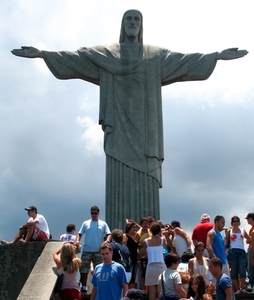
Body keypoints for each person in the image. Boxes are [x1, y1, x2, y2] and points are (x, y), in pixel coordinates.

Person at [11, 9, 248, 231]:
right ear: (122, 25)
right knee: (118, 172)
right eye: (129, 19)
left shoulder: (155, 55)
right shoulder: (107, 53)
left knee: (146, 175)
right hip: (118, 128)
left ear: (141, 25)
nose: (133, 23)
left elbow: (185, 61)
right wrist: (44, 54)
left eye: (137, 19)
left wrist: (215, 56)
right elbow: (77, 58)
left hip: (146, 132)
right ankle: (117, 235)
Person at [75, 205, 111, 295]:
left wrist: (107, 241)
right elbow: (79, 233)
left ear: (98, 213)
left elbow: (109, 234)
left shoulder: (103, 223)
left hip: (98, 250)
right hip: (87, 249)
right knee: (84, 269)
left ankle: (98, 286)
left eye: (95, 213)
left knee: (98, 269)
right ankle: (84, 287)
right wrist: (77, 240)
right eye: (92, 213)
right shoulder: (86, 223)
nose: (93, 215)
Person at [225, 215, 251, 293]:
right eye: (234, 221)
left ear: (239, 222)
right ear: (232, 223)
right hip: (232, 251)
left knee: (242, 269)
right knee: (234, 270)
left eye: (237, 221)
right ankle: (237, 289)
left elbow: (249, 239)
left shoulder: (243, 230)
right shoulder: (229, 231)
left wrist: (248, 241)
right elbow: (226, 244)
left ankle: (242, 287)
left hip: (241, 251)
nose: (236, 223)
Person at [143, 222, 167, 300]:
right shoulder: (163, 240)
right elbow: (165, 248)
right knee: (160, 289)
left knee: (152, 291)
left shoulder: (146, 241)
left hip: (151, 266)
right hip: (161, 266)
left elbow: (146, 255)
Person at [206, 215, 230, 285]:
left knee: (227, 283)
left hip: (224, 262)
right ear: (216, 222)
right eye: (222, 223)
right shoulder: (211, 233)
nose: (223, 225)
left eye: (224, 223)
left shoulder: (221, 234)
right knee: (215, 284)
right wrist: (214, 258)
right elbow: (208, 246)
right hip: (216, 263)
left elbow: (224, 247)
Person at [135, 217, 151, 290]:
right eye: (144, 223)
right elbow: (136, 247)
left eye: (147, 223)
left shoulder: (151, 232)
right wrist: (144, 244)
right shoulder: (138, 234)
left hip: (151, 256)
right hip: (142, 257)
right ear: (141, 225)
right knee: (143, 274)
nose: (145, 225)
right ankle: (143, 289)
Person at [125, 221, 139, 288]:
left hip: (135, 259)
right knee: (128, 278)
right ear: (129, 228)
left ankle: (132, 295)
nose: (135, 229)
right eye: (133, 227)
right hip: (129, 260)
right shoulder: (125, 236)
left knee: (133, 278)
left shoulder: (135, 236)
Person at [245, 212, 254, 292]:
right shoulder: (251, 229)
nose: (247, 220)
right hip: (251, 248)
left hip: (252, 249)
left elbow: (249, 241)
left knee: (250, 268)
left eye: (248, 218)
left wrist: (252, 255)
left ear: (251, 219)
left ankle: (250, 285)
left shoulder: (253, 230)